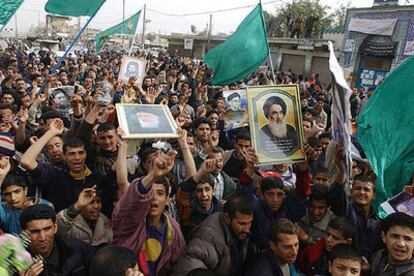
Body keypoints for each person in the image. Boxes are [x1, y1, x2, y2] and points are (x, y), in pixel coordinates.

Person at [112, 150, 186, 275]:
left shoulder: (173, 228)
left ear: (168, 200)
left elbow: (179, 264)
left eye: (160, 193)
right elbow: (126, 188)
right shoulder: (130, 221)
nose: (153, 198)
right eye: (150, 192)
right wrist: (152, 176)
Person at [173, 195, 255, 276]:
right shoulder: (208, 237)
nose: (247, 229)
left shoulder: (241, 233)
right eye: (242, 224)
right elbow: (189, 267)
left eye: (250, 223)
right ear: (227, 218)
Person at [19, 204, 95, 276]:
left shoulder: (80, 251)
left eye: (47, 229)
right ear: (23, 233)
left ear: (55, 228)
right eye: (35, 231)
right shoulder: (14, 265)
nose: (42, 238)